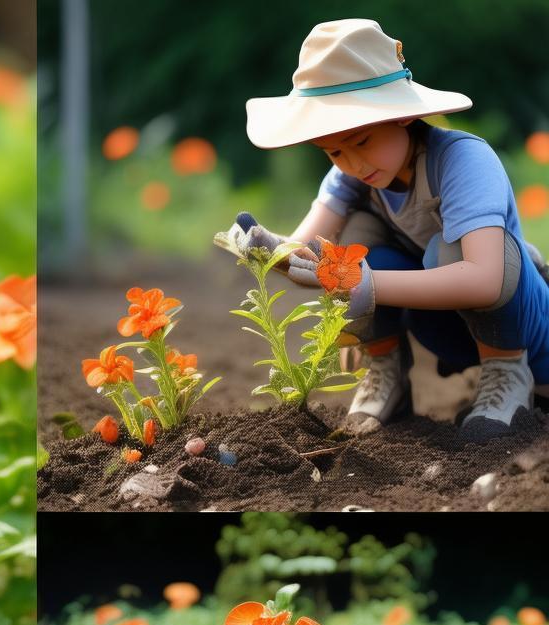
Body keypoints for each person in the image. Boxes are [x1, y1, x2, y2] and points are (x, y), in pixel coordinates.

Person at [221, 19, 549, 440]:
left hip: (529, 331)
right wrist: (269, 249)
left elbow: (485, 279)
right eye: (334, 151)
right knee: (354, 238)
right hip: (449, 328)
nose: (353, 163)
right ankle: (385, 370)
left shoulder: (462, 161)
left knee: (446, 250)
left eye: (362, 141)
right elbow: (306, 249)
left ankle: (507, 373)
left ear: (403, 117)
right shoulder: (353, 179)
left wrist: (365, 285)